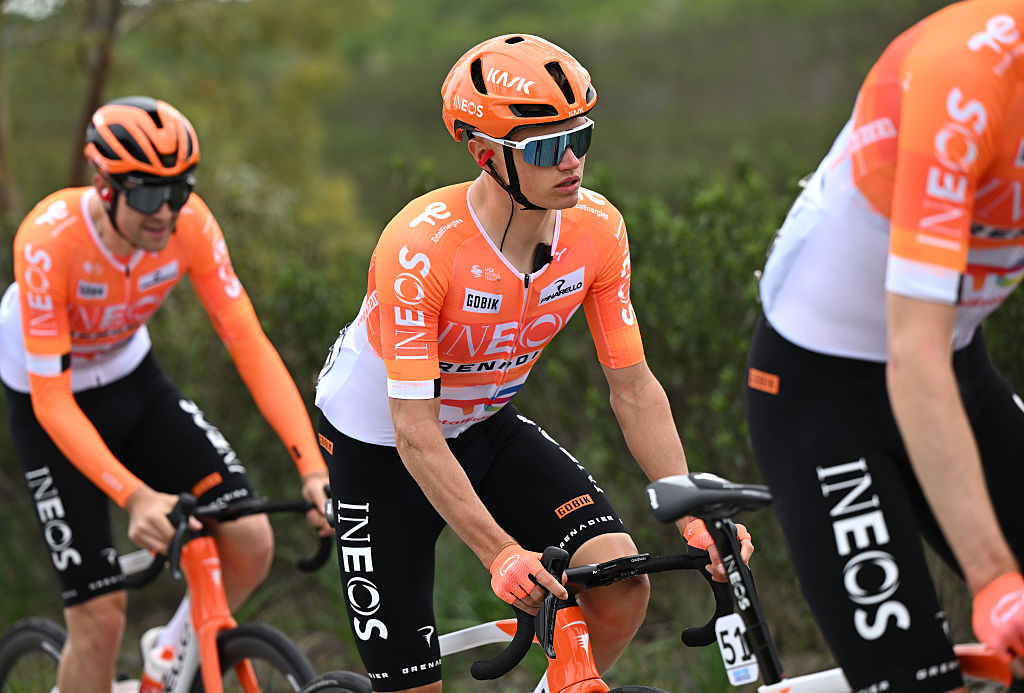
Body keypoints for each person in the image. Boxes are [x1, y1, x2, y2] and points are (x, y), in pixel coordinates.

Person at [314, 33, 754, 692]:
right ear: (485, 155)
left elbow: (632, 386)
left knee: (621, 585)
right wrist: (499, 553)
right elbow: (413, 429)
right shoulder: (420, 247)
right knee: (412, 683)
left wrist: (689, 509)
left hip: (484, 423)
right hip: (380, 443)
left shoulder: (597, 230)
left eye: (582, 137)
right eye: (547, 148)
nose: (572, 160)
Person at [0, 96, 331, 693]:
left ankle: (172, 654)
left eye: (179, 192)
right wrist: (134, 497)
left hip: (134, 380)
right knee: (100, 620)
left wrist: (310, 468)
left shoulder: (190, 223)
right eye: (149, 195)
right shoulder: (50, 240)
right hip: (51, 402)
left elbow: (248, 344)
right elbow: (52, 402)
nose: (166, 214)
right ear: (104, 187)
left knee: (251, 541)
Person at [744, 1, 1024, 691]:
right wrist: (994, 578)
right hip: (827, 400)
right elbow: (914, 357)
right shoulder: (964, 75)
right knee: (918, 681)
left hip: (960, 369)